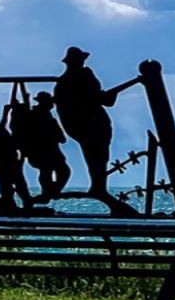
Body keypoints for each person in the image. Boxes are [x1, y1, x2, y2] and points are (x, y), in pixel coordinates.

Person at [53, 46, 119, 195]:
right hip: (91, 123)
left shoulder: (63, 82)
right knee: (98, 155)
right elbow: (96, 97)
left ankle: (98, 186)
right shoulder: (83, 75)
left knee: (95, 155)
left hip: (81, 126)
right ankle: (98, 187)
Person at [13, 91, 71, 201]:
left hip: (48, 150)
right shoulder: (37, 115)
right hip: (41, 151)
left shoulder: (43, 115)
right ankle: (50, 192)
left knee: (53, 171)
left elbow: (60, 136)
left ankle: (51, 191)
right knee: (53, 171)